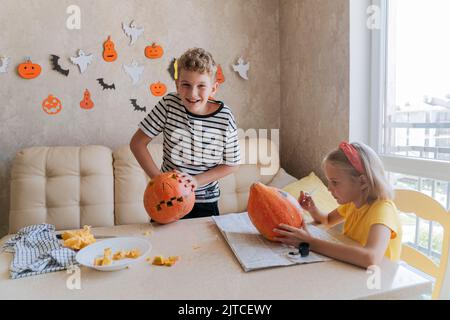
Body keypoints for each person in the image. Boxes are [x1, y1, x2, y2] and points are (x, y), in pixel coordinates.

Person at [130, 48, 240, 219]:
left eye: (201, 86)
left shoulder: (225, 117)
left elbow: (232, 164)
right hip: (166, 198)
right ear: (177, 85)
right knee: (164, 245)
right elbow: (137, 143)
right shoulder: (168, 105)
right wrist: (160, 181)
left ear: (213, 88)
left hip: (205, 201)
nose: (192, 93)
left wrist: (196, 181)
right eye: (186, 85)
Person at [273, 142, 402, 268]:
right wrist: (312, 209)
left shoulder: (382, 210)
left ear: (362, 182)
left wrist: (311, 243)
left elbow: (370, 258)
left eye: (335, 182)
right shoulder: (353, 203)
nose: (329, 188)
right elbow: (327, 220)